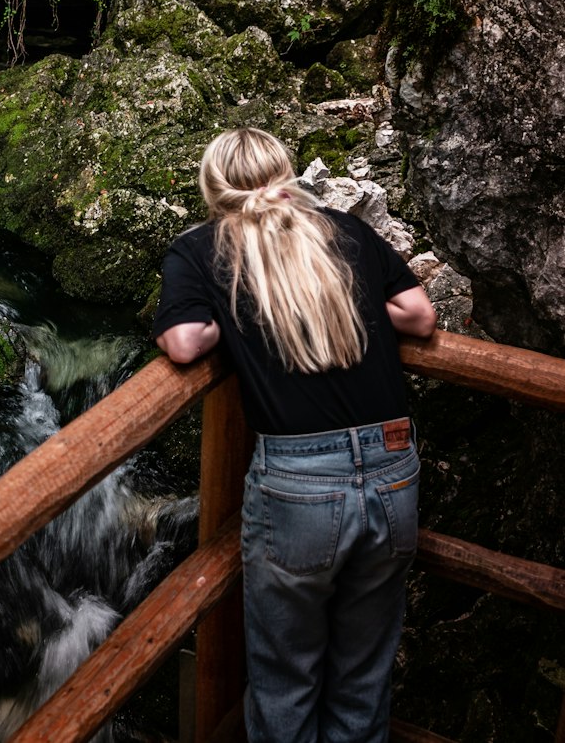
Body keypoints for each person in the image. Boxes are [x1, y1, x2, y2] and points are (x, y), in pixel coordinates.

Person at [153, 127, 437, 743]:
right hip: (392, 465)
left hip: (300, 483)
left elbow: (183, 343)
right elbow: (419, 315)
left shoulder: (201, 249)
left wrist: (227, 323)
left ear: (213, 189)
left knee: (287, 676)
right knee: (363, 673)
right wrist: (345, 298)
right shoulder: (345, 230)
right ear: (285, 173)